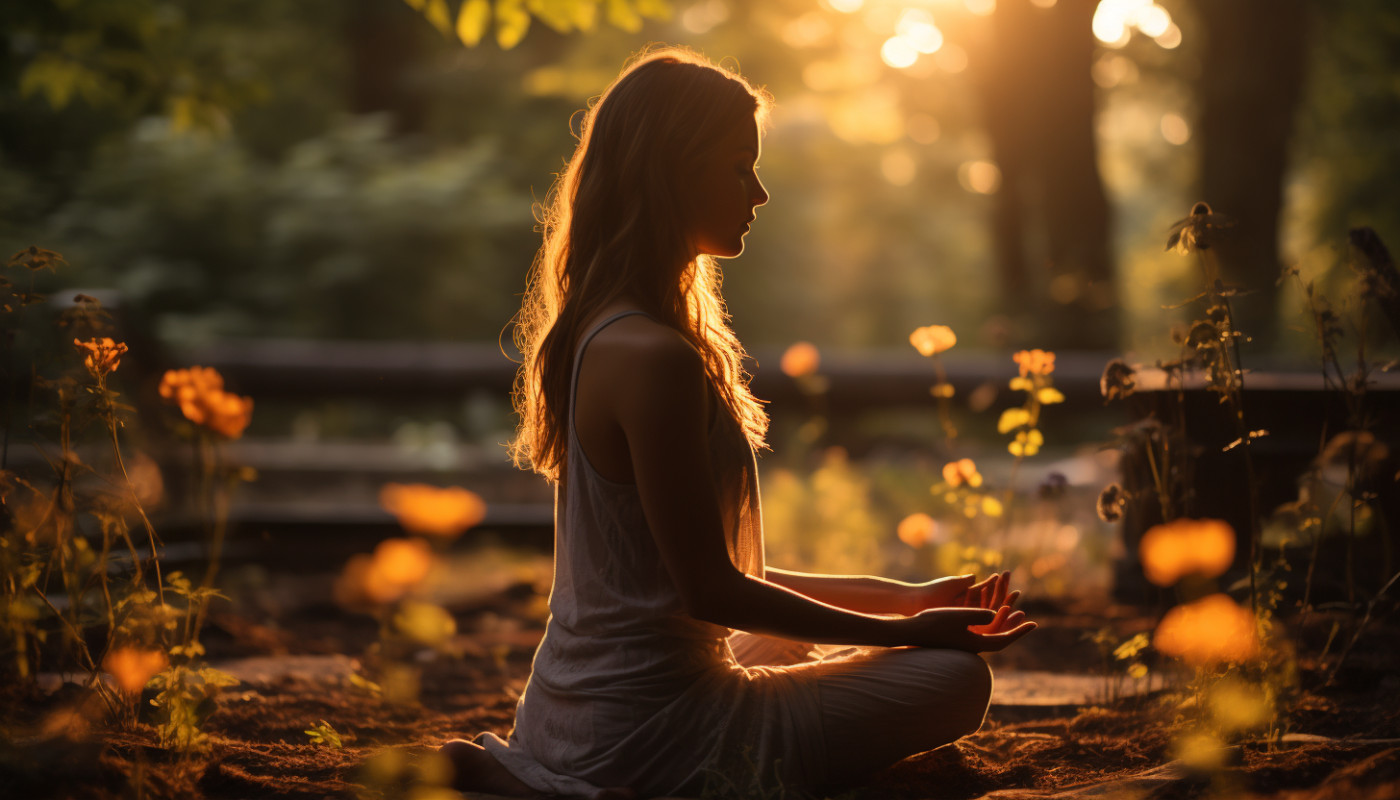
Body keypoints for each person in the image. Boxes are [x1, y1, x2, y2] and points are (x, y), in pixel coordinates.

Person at [441, 46, 1036, 799]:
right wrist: (912, 636)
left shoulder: (606, 331)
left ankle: (550, 769)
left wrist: (907, 597)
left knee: (789, 636)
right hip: (654, 729)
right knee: (956, 680)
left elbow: (700, 578)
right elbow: (709, 592)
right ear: (671, 172)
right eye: (737, 167)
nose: (758, 193)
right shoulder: (653, 356)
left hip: (574, 709)